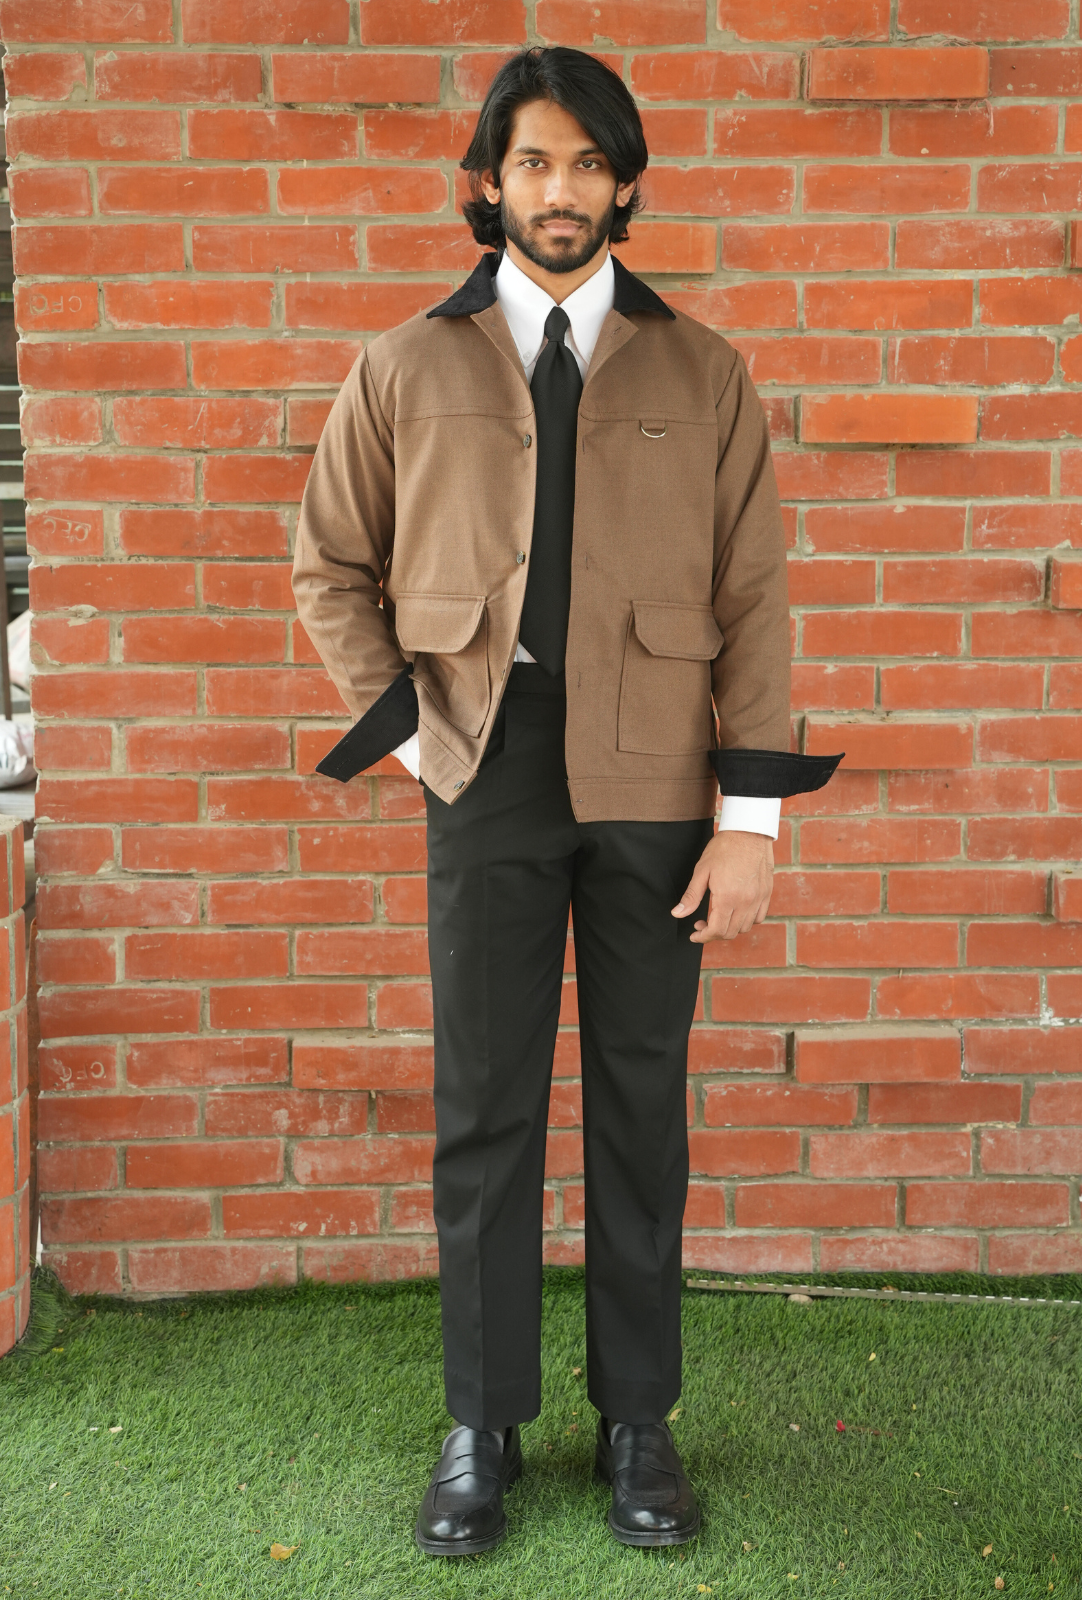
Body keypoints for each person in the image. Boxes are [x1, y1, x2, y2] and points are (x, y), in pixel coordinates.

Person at [292, 45, 841, 1557]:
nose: (562, 189)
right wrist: (415, 742)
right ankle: (481, 1424)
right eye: (534, 161)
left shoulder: (703, 369)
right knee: (485, 1104)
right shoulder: (406, 367)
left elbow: (756, 597)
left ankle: (639, 1420)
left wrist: (750, 823)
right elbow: (329, 564)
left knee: (641, 1104)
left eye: (590, 164)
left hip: (658, 770)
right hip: (481, 764)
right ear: (489, 181)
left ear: (624, 185)